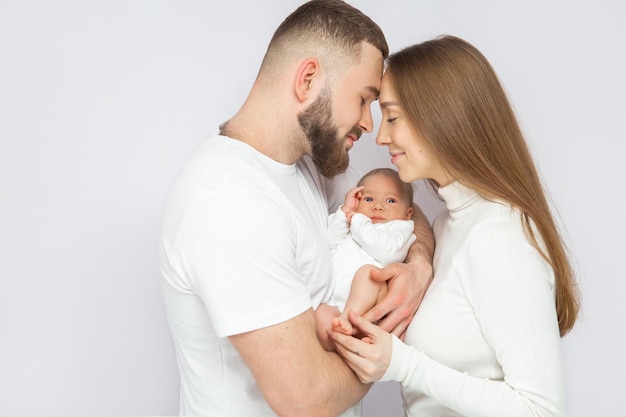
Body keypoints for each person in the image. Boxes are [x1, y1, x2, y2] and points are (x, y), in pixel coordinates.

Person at [158, 1, 434, 416]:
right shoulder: (227, 201)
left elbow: (399, 207)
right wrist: (385, 350)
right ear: (308, 79)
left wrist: (418, 267)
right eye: (363, 100)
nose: (367, 124)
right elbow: (307, 399)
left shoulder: (310, 167)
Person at [328, 35, 581, 417]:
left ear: (441, 115)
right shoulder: (448, 224)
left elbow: (540, 408)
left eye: (392, 117)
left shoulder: (499, 235)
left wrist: (405, 365)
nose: (380, 137)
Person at [316, 168, 416, 350]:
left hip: (369, 308)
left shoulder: (399, 229)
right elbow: (329, 242)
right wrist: (345, 213)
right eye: (368, 199)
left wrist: (358, 222)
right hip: (335, 305)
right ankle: (341, 343)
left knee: (368, 274)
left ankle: (349, 323)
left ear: (407, 213)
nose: (378, 206)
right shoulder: (354, 222)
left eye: (390, 200)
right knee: (319, 314)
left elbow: (388, 252)